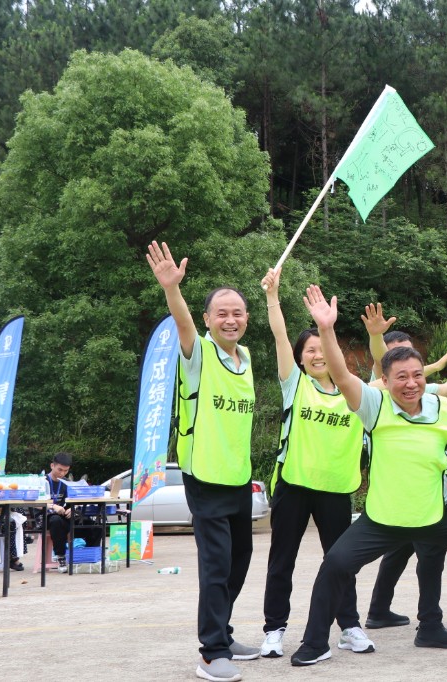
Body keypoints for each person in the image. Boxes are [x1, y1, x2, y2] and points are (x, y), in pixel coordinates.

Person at [291, 285, 447, 666]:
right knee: (336, 564)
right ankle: (314, 643)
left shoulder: (442, 409)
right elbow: (341, 375)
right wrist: (326, 329)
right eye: (401, 377)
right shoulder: (373, 405)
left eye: (417, 375)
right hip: (383, 520)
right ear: (386, 381)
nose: (411, 383)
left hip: (435, 515)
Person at [146, 241, 260, 682]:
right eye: (222, 313)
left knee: (239, 560)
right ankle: (212, 653)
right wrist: (172, 289)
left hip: (238, 477)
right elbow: (183, 324)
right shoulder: (199, 353)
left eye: (238, 313)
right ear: (208, 319)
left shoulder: (245, 358)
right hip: (205, 477)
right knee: (216, 566)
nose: (231, 319)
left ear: (246, 319)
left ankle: (224, 634)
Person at [256, 267, 374, 660]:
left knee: (341, 562)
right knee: (281, 562)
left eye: (323, 348)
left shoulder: (354, 392)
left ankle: (350, 626)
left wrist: (371, 336)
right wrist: (272, 296)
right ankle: (274, 629)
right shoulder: (295, 383)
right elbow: (279, 335)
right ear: (300, 359)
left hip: (336, 489)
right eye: (309, 350)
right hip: (294, 485)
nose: (318, 354)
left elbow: (387, 370)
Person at [360, 304, 447, 649]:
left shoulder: (421, 393)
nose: (406, 368)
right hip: (396, 490)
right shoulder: (375, 393)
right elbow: (379, 361)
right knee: (430, 553)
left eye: (413, 362)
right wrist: (376, 336)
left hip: (420, 494)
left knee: (400, 552)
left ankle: (379, 610)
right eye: (396, 359)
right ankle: (430, 623)